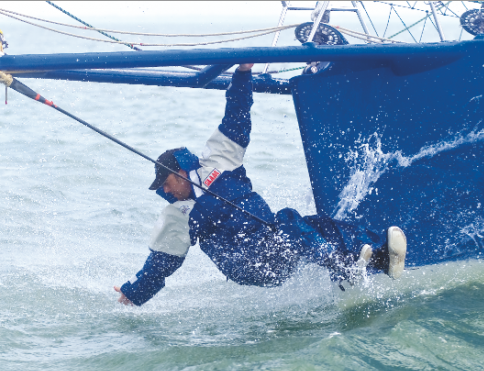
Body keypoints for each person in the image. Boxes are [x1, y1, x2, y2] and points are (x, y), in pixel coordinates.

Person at [114, 63, 407, 306]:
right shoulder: (178, 213)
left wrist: (243, 73)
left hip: (270, 243)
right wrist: (135, 292)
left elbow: (236, 118)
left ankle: (378, 257)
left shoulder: (217, 160)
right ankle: (346, 269)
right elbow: (163, 260)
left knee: (319, 224)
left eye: (165, 183)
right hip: (245, 263)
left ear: (178, 171)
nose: (164, 192)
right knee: (290, 221)